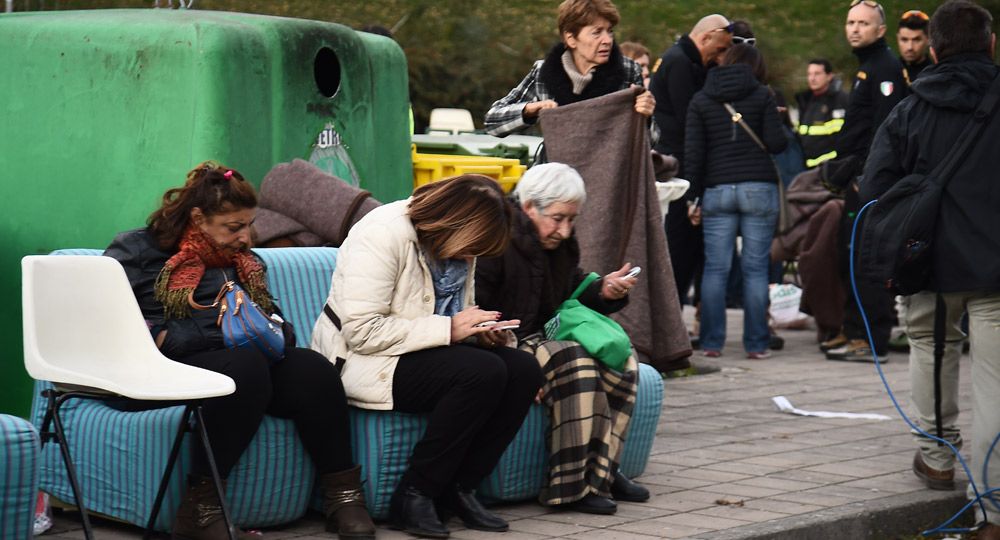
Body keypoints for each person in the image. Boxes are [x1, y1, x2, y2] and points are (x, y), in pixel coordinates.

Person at [104, 162, 374, 540]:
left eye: (249, 225)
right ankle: (201, 510)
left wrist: (273, 331)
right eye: (234, 227)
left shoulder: (243, 262)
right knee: (244, 368)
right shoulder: (138, 250)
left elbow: (274, 318)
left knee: (313, 370)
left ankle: (343, 496)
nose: (246, 237)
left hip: (236, 361)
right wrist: (167, 336)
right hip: (161, 365)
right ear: (198, 219)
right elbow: (106, 315)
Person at [311, 175, 544, 539]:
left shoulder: (452, 244)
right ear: (454, 223)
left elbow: (451, 312)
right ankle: (414, 495)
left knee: (523, 369)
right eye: (471, 248)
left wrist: (481, 334)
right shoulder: (383, 233)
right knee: (479, 373)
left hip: (420, 350)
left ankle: (461, 488)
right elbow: (362, 331)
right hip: (361, 359)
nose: (471, 258)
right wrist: (451, 330)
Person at [861, 2, 1000, 536]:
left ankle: (937, 458)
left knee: (929, 348)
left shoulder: (910, 107)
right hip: (995, 270)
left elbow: (875, 190)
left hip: (927, 261)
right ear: (990, 44)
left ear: (934, 49)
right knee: (993, 385)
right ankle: (991, 507)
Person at [474, 163, 649, 516]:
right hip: (503, 340)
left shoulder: (559, 242)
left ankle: (604, 471)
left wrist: (606, 290)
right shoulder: (496, 240)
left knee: (623, 358)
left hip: (545, 334)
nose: (565, 230)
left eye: (572, 220)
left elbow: (569, 287)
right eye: (557, 219)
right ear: (528, 207)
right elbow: (473, 308)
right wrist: (515, 364)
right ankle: (571, 487)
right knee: (573, 361)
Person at [684, 44, 787, 359]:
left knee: (716, 268)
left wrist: (693, 199)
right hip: (758, 189)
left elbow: (694, 155)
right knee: (755, 269)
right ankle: (756, 345)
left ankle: (712, 343)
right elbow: (777, 143)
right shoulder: (762, 96)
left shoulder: (701, 99)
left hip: (717, 191)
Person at [822, 0, 907, 363]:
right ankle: (855, 329)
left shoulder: (885, 68)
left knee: (866, 261)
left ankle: (871, 339)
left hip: (870, 184)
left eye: (863, 23)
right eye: (851, 22)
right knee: (849, 256)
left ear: (881, 30)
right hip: (859, 180)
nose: (854, 29)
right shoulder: (868, 66)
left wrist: (865, 177)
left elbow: (886, 132)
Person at [648, 13, 732, 323]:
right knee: (681, 248)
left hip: (682, 163)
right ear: (706, 37)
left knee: (689, 249)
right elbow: (691, 120)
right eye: (719, 49)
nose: (719, 57)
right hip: (679, 167)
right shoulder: (681, 63)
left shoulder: (685, 59)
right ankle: (670, 320)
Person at [483, 0, 654, 138]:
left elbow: (651, 141)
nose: (607, 40)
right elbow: (492, 123)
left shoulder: (628, 70)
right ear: (571, 38)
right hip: (557, 171)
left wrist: (645, 117)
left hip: (611, 173)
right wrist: (529, 110)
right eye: (597, 32)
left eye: (609, 31)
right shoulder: (544, 72)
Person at [795, 59, 849, 168]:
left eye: (817, 74)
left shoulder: (839, 100)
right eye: (809, 74)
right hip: (807, 168)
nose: (812, 78)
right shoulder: (805, 100)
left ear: (829, 76)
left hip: (831, 167)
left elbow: (844, 137)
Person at [897, 9, 932, 82]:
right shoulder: (887, 70)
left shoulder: (935, 75)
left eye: (916, 40)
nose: (910, 47)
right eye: (904, 40)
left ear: (928, 40)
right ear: (898, 38)